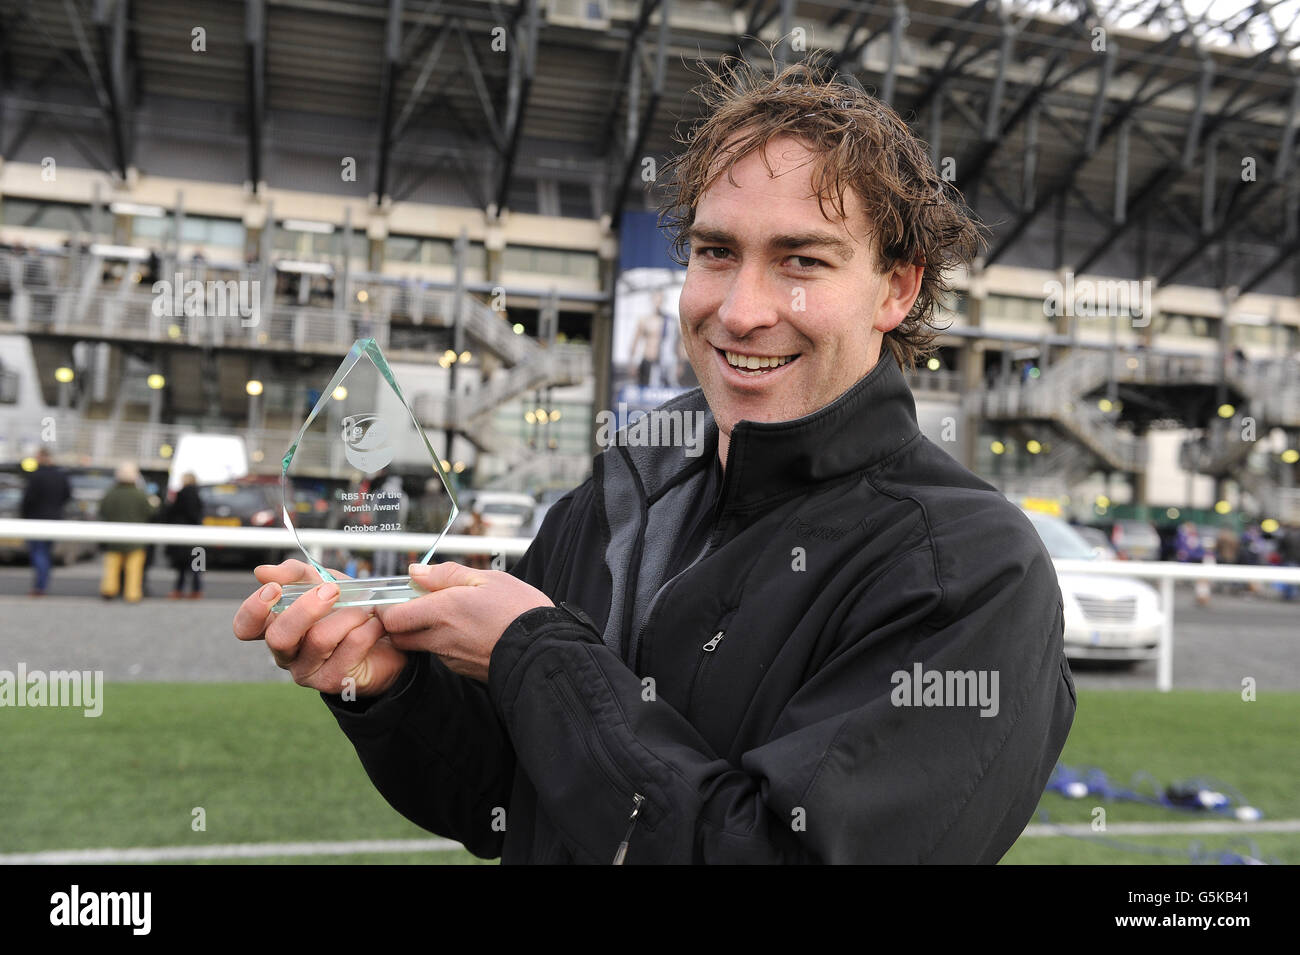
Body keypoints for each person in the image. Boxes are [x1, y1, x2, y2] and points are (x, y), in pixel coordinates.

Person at [233, 54, 1075, 863]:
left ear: (897, 288)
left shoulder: (969, 568)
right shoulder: (623, 491)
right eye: (716, 252)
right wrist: (390, 688)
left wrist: (533, 653)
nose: (740, 311)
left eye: (802, 260)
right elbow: (505, 798)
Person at [98, 462, 155, 603]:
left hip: (113, 537)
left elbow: (103, 510)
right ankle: (132, 594)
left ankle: (109, 589)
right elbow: (150, 512)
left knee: (112, 567)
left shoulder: (111, 493)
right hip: (136, 539)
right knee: (134, 569)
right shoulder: (140, 495)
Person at [20, 448, 71, 596]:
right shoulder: (61, 475)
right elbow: (67, 495)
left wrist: (24, 516)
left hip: (36, 520)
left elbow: (27, 500)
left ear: (41, 457)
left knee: (38, 553)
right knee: (46, 553)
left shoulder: (36, 476)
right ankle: (43, 584)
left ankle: (39, 586)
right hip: (54, 519)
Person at [165, 472, 205, 599]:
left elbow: (173, 512)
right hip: (196, 535)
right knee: (197, 566)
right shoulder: (199, 494)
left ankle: (178, 590)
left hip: (183, 534)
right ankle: (197, 590)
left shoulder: (182, 494)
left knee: (181, 566)